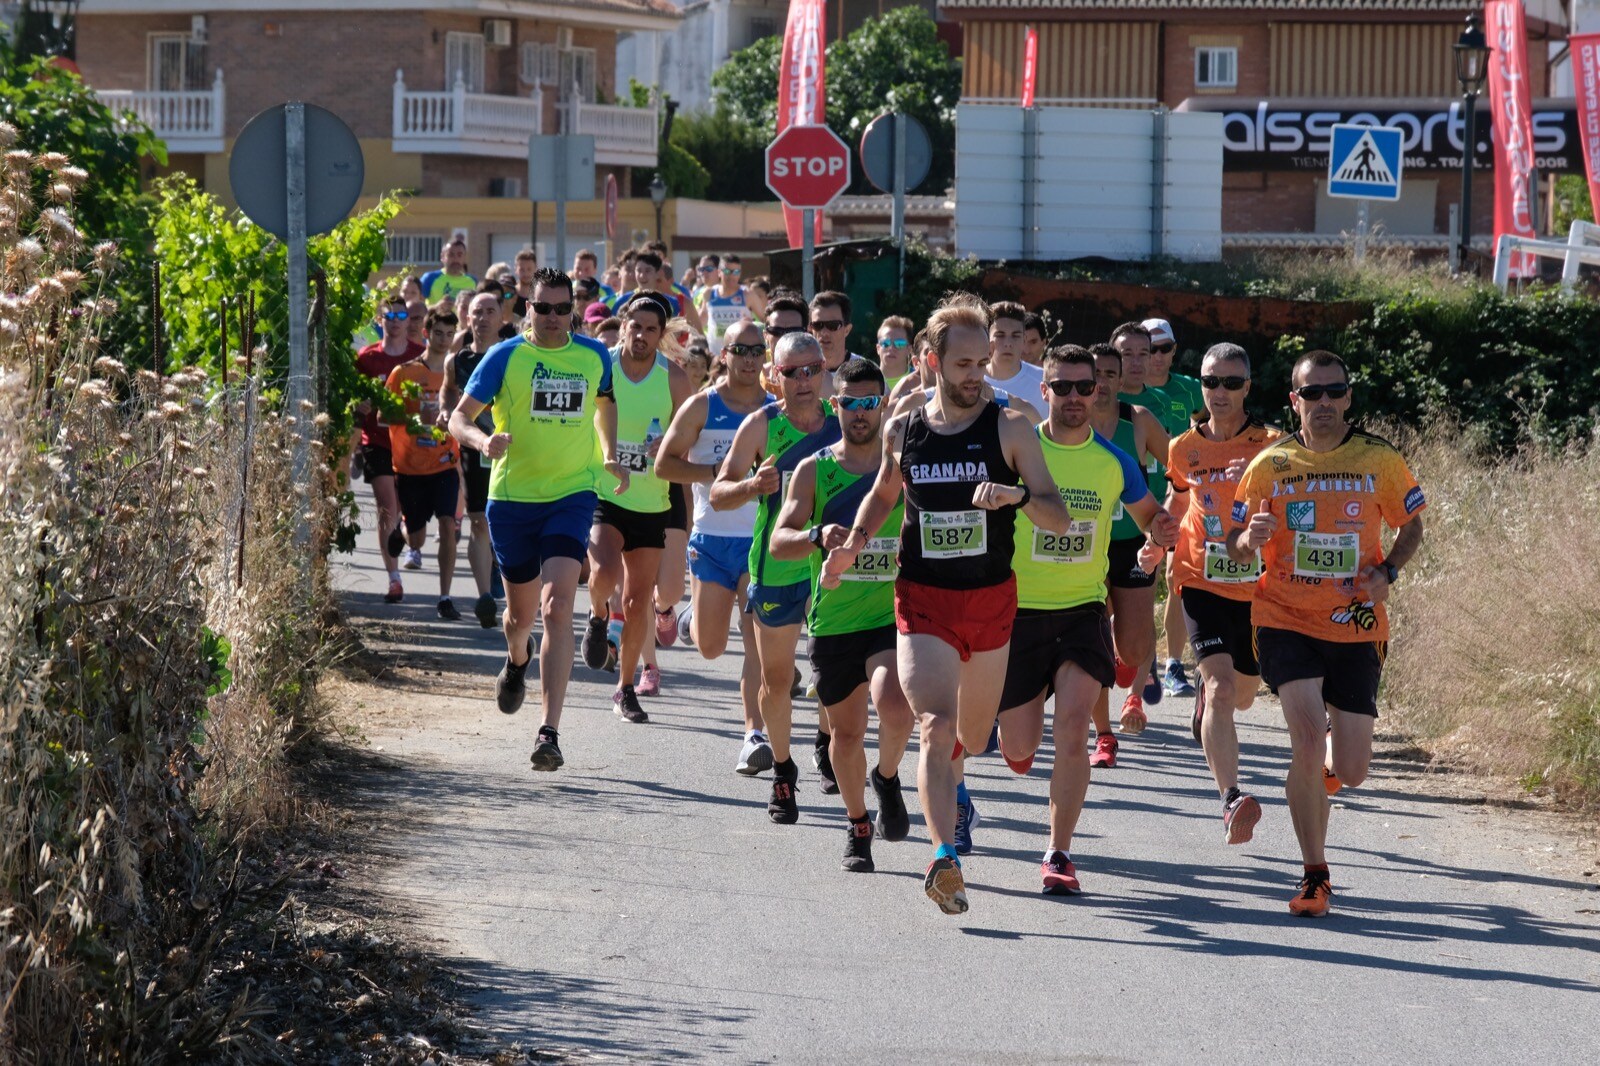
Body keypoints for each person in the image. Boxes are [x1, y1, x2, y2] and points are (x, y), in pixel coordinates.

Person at [824, 293, 1071, 916]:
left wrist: (1013, 498)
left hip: (990, 603)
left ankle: (955, 789)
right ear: (930, 360)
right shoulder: (904, 425)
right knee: (933, 726)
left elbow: (1059, 517)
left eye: (982, 362)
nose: (976, 375)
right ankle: (943, 859)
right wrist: (853, 542)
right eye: (963, 363)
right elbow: (884, 492)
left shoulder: (1011, 426)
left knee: (974, 738)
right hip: (922, 599)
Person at [1226, 349, 1426, 917]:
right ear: (1295, 401)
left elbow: (1412, 524)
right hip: (1284, 616)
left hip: (1357, 622)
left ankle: (1327, 776)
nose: (1324, 403)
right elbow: (1236, 544)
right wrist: (1251, 537)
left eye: (1334, 392)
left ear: (1348, 397)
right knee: (1309, 739)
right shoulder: (1269, 464)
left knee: (1354, 769)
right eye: (1311, 394)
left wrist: (1387, 571)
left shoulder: (1379, 458)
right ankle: (1316, 874)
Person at [995, 345, 1175, 895]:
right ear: (1043, 390)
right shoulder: (1021, 449)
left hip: (1082, 611)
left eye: (1084, 386)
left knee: (1074, 727)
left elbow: (1153, 519)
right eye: (1062, 386)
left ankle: (1059, 852)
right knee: (1021, 749)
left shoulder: (1114, 460)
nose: (1075, 397)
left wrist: (1157, 544)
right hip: (1019, 614)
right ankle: (1018, 745)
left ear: (1097, 391)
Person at [448, 268, 626, 772]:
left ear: (573, 309)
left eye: (561, 308)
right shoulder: (505, 356)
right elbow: (458, 418)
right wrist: (485, 442)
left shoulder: (592, 356)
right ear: (527, 308)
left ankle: (549, 731)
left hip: (572, 493)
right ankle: (516, 658)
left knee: (557, 605)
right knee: (519, 617)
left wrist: (609, 453)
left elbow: (605, 402)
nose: (552, 318)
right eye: (542, 308)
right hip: (513, 499)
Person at [770, 358, 914, 872]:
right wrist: (814, 535)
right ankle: (858, 825)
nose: (860, 412)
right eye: (850, 402)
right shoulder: (814, 470)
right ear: (836, 405)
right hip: (833, 624)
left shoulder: (902, 467)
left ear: (884, 405)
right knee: (847, 735)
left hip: (891, 618)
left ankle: (889, 777)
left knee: (897, 709)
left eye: (869, 402)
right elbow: (778, 541)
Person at [710, 328, 841, 821]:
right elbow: (720, 491)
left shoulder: (845, 422)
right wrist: (750, 485)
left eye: (812, 370)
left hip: (832, 567)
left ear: (825, 371)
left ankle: (826, 743)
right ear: (775, 374)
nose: (804, 380)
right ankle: (783, 770)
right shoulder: (761, 426)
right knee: (778, 679)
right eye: (792, 372)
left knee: (832, 674)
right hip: (778, 565)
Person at [1165, 342, 1279, 845]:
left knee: (1246, 696)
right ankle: (1231, 797)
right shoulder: (1183, 447)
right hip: (1200, 578)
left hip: (1255, 588)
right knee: (1220, 690)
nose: (1221, 392)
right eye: (1212, 382)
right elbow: (1177, 497)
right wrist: (1158, 540)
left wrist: (1253, 488)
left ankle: (1209, 715)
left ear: (1248, 387)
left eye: (1233, 383)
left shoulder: (1273, 444)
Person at [657, 319, 776, 773]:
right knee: (710, 647)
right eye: (740, 350)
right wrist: (715, 475)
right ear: (723, 355)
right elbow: (665, 465)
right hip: (711, 539)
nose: (749, 359)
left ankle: (753, 735)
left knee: (756, 643)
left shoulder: (774, 410)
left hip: (759, 543)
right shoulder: (701, 406)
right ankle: (688, 614)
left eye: (756, 351)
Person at [580, 294, 692, 724]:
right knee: (604, 573)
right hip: (604, 492)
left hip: (651, 501)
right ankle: (595, 615)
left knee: (638, 598)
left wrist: (668, 445)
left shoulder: (674, 378)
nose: (640, 335)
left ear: (660, 335)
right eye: (634, 325)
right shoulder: (599, 365)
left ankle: (624, 688)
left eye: (650, 329)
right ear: (622, 323)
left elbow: (691, 432)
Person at [1086, 342, 1169, 757]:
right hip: (1086, 547)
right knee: (1094, 638)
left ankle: (1127, 656)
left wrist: (1168, 518)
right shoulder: (1070, 424)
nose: (1101, 384)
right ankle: (1103, 734)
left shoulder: (1137, 421)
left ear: (1122, 381)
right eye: (1093, 376)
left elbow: (1181, 470)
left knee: (1134, 649)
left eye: (1109, 375)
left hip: (1135, 545)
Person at [1110, 321, 1177, 710]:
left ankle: (1135, 688)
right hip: (1095, 529)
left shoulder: (1157, 405)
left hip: (1143, 523)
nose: (1136, 361)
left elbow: (1176, 468)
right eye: (1126, 353)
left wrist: (1168, 512)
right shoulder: (1088, 402)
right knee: (1096, 618)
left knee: (1140, 609)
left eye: (1144, 352)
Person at [1141, 316, 1208, 701]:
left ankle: (1172, 665)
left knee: (1176, 581)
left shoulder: (1190, 389)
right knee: (1138, 586)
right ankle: (1141, 656)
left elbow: (1209, 424)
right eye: (1150, 350)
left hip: (1180, 501)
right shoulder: (1124, 390)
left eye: (1165, 349)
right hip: (1133, 502)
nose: (1157, 357)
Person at [386, 306, 464, 619]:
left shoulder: (458, 373)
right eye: (439, 333)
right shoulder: (404, 373)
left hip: (445, 463)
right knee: (416, 538)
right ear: (427, 334)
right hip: (410, 467)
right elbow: (383, 415)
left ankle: (445, 597)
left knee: (448, 525)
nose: (444, 340)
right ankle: (403, 533)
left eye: (450, 334)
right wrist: (417, 417)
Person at [441, 291, 507, 628]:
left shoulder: (512, 355)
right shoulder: (457, 361)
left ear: (501, 317)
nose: (482, 318)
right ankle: (484, 597)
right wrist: (444, 411)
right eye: (476, 312)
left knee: (506, 520)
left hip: (512, 448)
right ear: (467, 318)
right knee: (479, 520)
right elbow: (448, 393)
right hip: (473, 449)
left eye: (489, 311)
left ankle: (502, 570)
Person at [356, 295, 425, 602]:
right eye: (390, 315)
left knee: (410, 510)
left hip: (411, 443)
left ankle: (409, 533)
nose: (396, 321)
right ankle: (394, 578)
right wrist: (361, 407)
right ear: (379, 319)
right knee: (387, 507)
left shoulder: (419, 356)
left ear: (408, 320)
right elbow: (356, 407)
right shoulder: (367, 358)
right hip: (378, 443)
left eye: (402, 315)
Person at [985, 301, 1046, 422]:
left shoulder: (1043, 381)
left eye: (1015, 335)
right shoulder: (973, 381)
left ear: (1024, 340)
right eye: (1000, 335)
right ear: (987, 339)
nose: (1008, 343)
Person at [697, 254, 748, 354]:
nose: (732, 276)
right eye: (727, 271)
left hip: (738, 355)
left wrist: (751, 325)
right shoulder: (709, 293)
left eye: (736, 272)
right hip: (715, 355)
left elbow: (765, 320)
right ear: (719, 272)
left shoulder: (747, 294)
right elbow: (699, 323)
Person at [808, 291, 855, 384]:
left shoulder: (866, 372)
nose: (824, 332)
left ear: (847, 330)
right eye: (817, 325)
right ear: (810, 328)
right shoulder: (800, 373)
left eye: (833, 325)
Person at [420, 238, 478, 304]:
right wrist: (437, 308)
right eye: (451, 255)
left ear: (465, 258)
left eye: (459, 255)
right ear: (442, 257)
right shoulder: (430, 278)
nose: (455, 259)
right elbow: (417, 307)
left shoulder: (473, 281)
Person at [875, 315, 914, 388]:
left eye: (899, 343)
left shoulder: (921, 382)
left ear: (909, 350)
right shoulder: (863, 382)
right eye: (885, 343)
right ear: (878, 348)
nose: (891, 348)